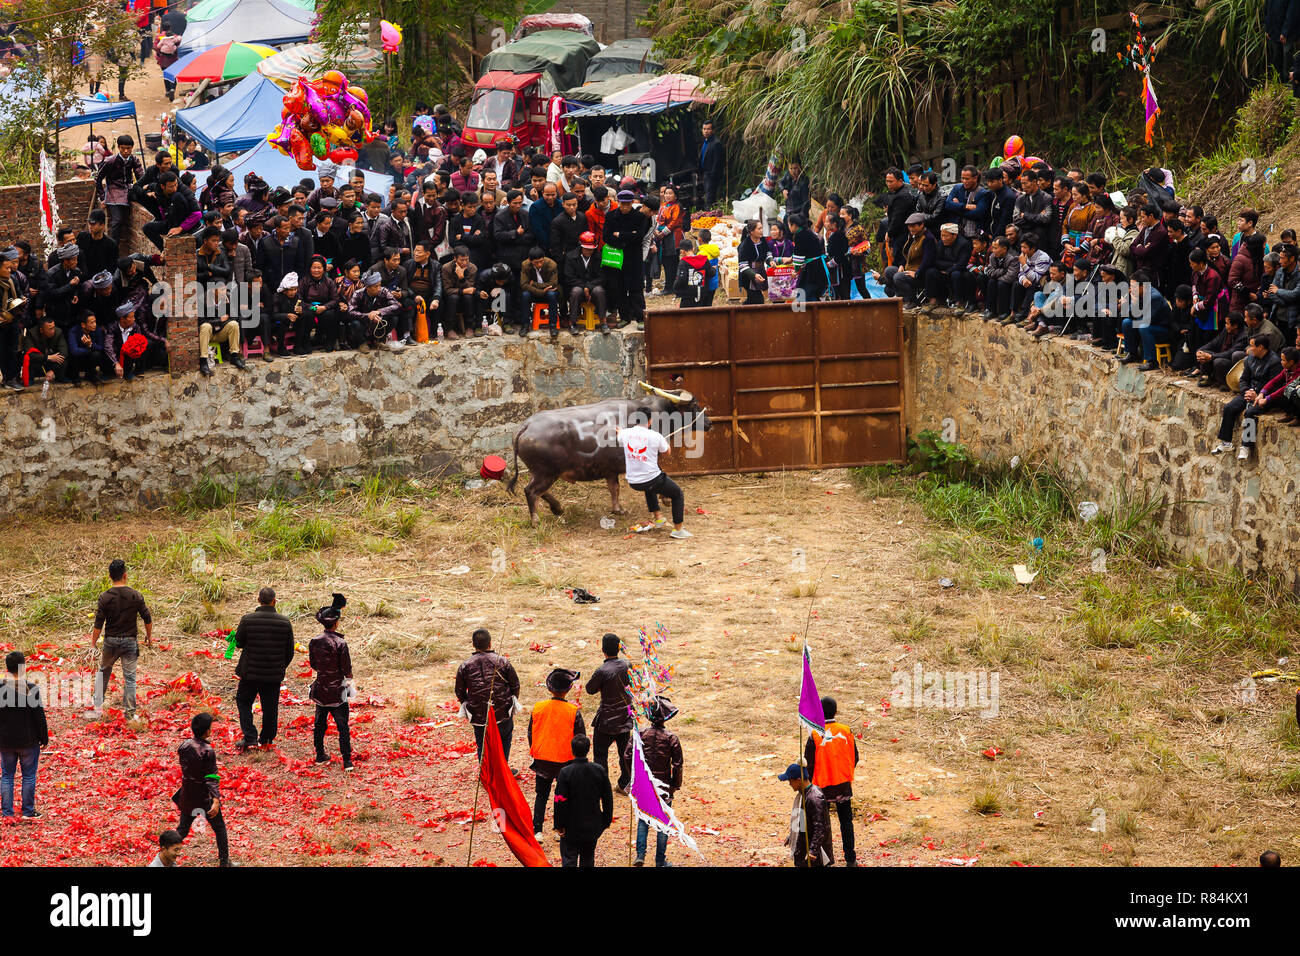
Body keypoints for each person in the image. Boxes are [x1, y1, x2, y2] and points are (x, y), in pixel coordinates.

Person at [232, 586, 295, 752]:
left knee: (244, 701)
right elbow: (289, 651)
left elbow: (238, 643)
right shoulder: (284, 622)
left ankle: (250, 736)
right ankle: (266, 738)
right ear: (274, 601)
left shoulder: (247, 619)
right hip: (273, 675)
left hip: (250, 673)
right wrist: (280, 666)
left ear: (258, 600)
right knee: (270, 707)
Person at [88, 559, 152, 719]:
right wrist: (149, 636)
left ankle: (96, 708)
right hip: (130, 642)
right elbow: (147, 617)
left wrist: (93, 643)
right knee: (130, 678)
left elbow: (98, 623)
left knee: (103, 672)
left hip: (110, 642)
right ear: (125, 575)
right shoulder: (135, 595)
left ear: (110, 576)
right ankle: (130, 713)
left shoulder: (105, 597)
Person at [626, 696, 684, 867]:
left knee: (643, 818)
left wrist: (635, 777)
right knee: (663, 823)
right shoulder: (671, 738)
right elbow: (678, 764)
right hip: (664, 785)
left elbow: (628, 755)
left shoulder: (640, 734)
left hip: (644, 783)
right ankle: (660, 860)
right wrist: (675, 784)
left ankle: (640, 855)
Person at [528, 667, 584, 840]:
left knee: (541, 795)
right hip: (565, 760)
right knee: (563, 796)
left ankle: (537, 830)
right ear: (568, 689)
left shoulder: (538, 707)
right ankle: (561, 828)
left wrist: (537, 749)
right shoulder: (573, 711)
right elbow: (580, 737)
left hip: (542, 758)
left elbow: (531, 733)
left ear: (549, 688)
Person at [617, 406, 691, 537]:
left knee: (650, 485)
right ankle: (678, 530)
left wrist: (620, 431)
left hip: (633, 482)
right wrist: (666, 443)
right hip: (650, 480)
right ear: (650, 420)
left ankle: (659, 519)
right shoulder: (655, 436)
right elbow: (666, 453)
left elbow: (620, 436)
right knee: (677, 493)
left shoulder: (625, 433)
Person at [803, 697, 859, 867]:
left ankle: (824, 859)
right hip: (843, 785)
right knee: (846, 823)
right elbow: (855, 757)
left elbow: (808, 764)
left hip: (822, 788)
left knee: (821, 825)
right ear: (836, 711)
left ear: (819, 711)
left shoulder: (814, 735)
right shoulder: (846, 731)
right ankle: (851, 859)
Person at [172, 712, 233, 866]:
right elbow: (211, 778)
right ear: (207, 731)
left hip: (188, 795)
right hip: (204, 797)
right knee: (219, 828)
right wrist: (216, 800)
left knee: (182, 830)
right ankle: (224, 862)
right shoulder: (208, 750)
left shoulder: (184, 746)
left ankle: (166, 858)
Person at [1212, 336, 1284, 459]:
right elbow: (1243, 379)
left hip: (1265, 396)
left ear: (1261, 347)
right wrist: (1247, 391)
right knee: (1229, 407)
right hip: (1249, 393)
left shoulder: (1274, 362)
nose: (1250, 349)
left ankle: (1246, 446)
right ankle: (1226, 442)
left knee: (1250, 413)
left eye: (1252, 346)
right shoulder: (1249, 359)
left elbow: (1274, 384)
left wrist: (1259, 394)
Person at [455, 628, 521, 760]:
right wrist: (509, 701)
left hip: (478, 715)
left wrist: (470, 704)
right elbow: (515, 686)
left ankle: (484, 775)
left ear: (473, 645)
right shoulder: (502, 662)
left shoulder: (465, 666)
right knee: (504, 741)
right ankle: (502, 772)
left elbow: (459, 691)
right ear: (490, 644)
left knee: (482, 744)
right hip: (502, 712)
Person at [552, 734, 613, 867]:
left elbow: (559, 800)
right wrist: (606, 819)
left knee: (569, 859)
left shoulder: (565, 772)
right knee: (588, 859)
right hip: (592, 824)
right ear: (588, 749)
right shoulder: (599, 770)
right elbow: (607, 797)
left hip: (570, 826)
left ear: (572, 750)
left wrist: (559, 824)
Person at [308, 593, 353, 769]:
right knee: (342, 725)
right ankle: (347, 760)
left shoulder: (314, 641)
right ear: (336, 622)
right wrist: (348, 681)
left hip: (321, 687)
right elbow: (346, 668)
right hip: (337, 689)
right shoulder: (341, 643)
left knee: (319, 722)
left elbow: (313, 664)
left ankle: (320, 754)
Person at [0, 651, 47, 819]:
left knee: (6, 775)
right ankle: (28, 811)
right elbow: (39, 717)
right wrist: (44, 737)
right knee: (28, 775)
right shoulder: (31, 689)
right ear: (22, 667)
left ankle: (7, 813)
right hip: (28, 741)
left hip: (5, 741)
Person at [585, 633, 633, 792]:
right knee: (624, 753)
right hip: (625, 717)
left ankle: (601, 786)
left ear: (603, 650)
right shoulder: (628, 665)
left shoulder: (602, 670)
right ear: (619, 648)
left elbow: (589, 689)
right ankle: (625, 784)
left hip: (606, 720)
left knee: (600, 754)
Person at [779, 761, 831, 867]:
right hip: (803, 846)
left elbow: (820, 827)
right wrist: (792, 836)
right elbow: (802, 821)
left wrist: (813, 850)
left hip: (813, 850)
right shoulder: (803, 795)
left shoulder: (815, 798)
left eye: (790, 781)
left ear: (799, 780)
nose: (789, 784)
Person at [698, 120, 725, 205]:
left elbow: (718, 161)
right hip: (706, 174)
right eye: (704, 129)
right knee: (708, 195)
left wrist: (712, 175)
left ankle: (709, 215)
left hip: (712, 175)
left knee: (710, 197)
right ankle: (709, 213)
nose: (706, 131)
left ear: (713, 130)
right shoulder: (706, 141)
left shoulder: (716, 143)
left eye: (708, 129)